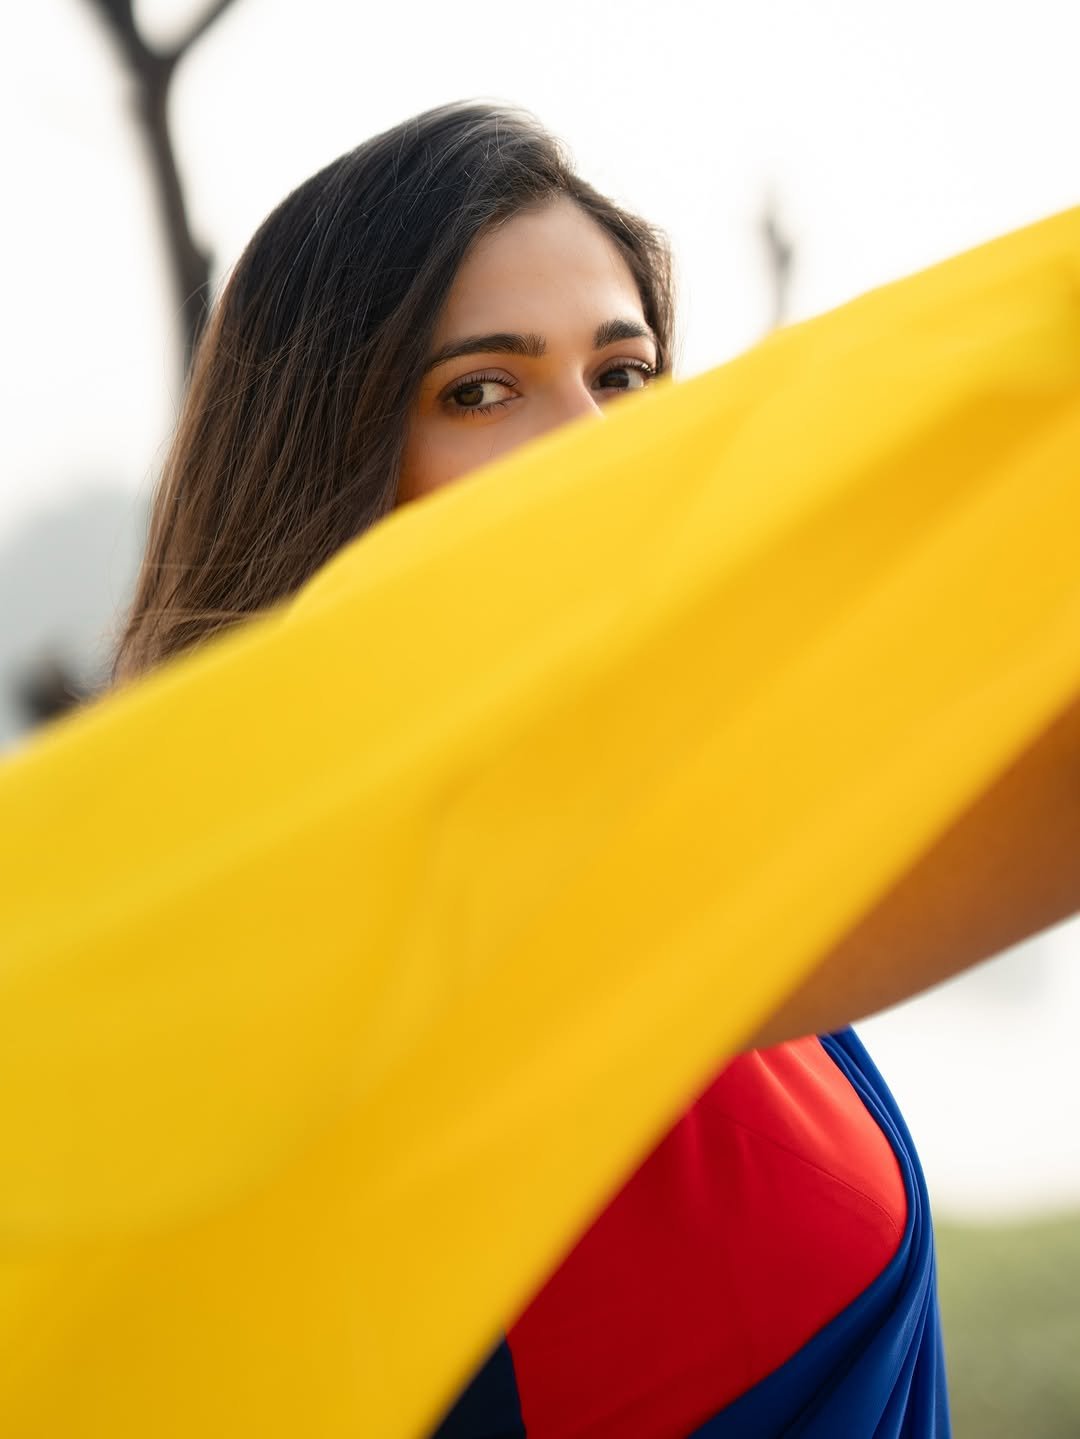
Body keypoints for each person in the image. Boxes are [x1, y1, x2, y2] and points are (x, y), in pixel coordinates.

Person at [110, 101, 1079, 1437]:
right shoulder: (340, 941)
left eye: (622, 377)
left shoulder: (668, 846)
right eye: (483, 390)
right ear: (333, 468)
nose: (593, 443)